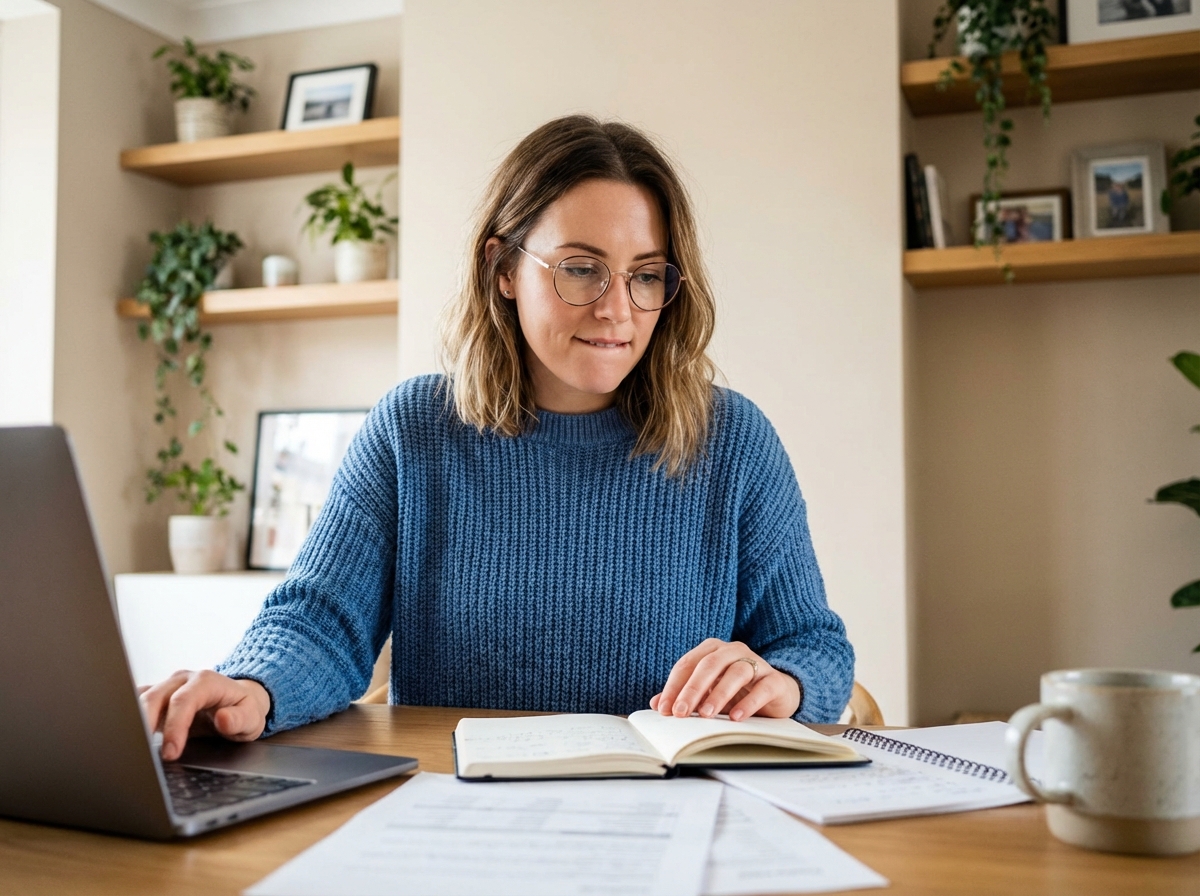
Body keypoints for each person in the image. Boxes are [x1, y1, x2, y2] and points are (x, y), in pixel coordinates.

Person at [140, 115, 855, 762]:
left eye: (645, 276)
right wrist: (251, 686)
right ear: (503, 268)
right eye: (580, 268)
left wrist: (782, 683)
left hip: (671, 822)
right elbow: (321, 621)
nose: (617, 309)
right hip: (455, 816)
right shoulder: (412, 430)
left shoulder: (732, 441)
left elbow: (815, 647)